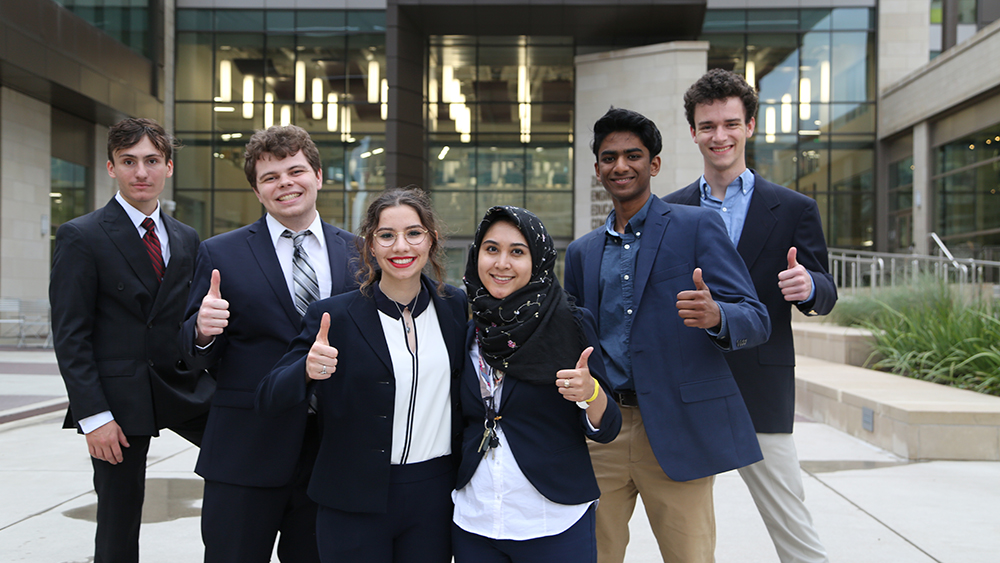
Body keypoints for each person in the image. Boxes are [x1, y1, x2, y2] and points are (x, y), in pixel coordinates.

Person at [563, 107, 771, 563]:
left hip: (679, 430)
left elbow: (756, 317)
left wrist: (717, 315)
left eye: (633, 155)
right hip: (604, 429)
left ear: (653, 164)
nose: (621, 165)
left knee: (690, 557)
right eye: (609, 157)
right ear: (597, 168)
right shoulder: (581, 253)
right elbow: (573, 337)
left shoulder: (697, 226)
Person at [664, 68, 837, 563]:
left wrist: (808, 286)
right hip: (691, 388)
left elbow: (825, 288)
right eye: (708, 125)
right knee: (687, 540)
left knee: (794, 530)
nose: (720, 136)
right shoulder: (669, 211)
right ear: (693, 131)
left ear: (750, 127)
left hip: (762, 390)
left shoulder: (793, 208)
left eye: (731, 123)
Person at [256, 187, 467, 563]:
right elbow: (269, 396)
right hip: (351, 497)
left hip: (433, 496)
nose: (401, 246)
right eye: (387, 235)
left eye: (414, 233)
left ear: (431, 240)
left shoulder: (455, 307)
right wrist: (305, 371)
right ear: (370, 245)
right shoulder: (333, 316)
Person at [179, 125, 357, 563]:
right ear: (258, 192)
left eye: (295, 171)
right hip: (245, 452)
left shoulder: (360, 253)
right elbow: (185, 352)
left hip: (331, 456)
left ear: (318, 175)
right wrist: (202, 330)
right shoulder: (219, 253)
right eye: (270, 177)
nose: (285, 184)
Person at [50, 117, 213, 563]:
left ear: (168, 167)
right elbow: (70, 334)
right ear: (111, 168)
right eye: (129, 161)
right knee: (119, 520)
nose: (141, 172)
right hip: (116, 400)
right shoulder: (81, 235)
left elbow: (187, 318)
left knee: (238, 455)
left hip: (180, 386)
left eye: (151, 161)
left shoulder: (185, 237)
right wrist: (93, 416)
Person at [452, 206, 622, 563]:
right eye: (491, 249)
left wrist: (590, 393)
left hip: (551, 519)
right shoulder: (468, 328)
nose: (501, 263)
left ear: (538, 259)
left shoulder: (569, 323)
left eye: (517, 251)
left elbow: (608, 427)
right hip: (477, 519)